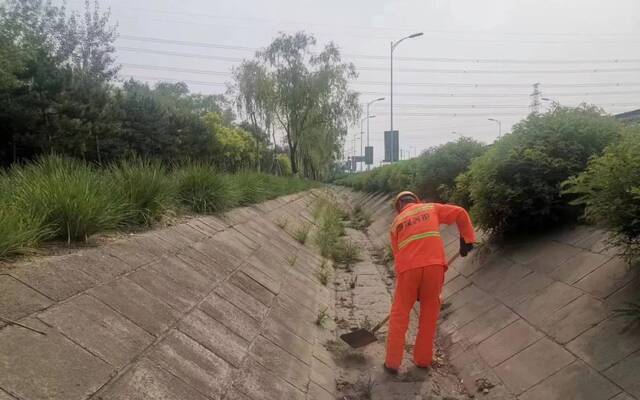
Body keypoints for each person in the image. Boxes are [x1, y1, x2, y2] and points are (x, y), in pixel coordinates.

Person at [384, 191, 475, 374]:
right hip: (434, 267)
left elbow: (397, 256)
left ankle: (392, 363)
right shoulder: (430, 208)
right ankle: (423, 360)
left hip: (409, 270)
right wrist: (467, 239)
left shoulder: (396, 224)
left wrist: (411, 286)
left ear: (398, 207)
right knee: (429, 314)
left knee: (400, 314)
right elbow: (459, 212)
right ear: (416, 201)